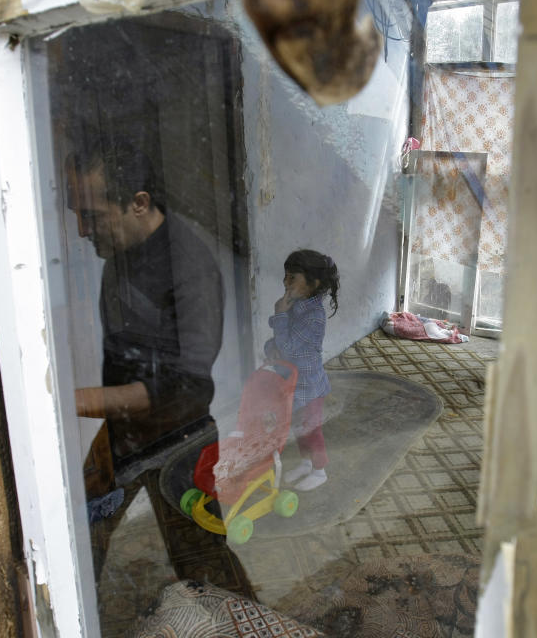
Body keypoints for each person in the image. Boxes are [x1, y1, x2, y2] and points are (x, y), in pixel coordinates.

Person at [67, 138, 224, 471]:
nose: (82, 230)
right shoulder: (119, 251)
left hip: (178, 445)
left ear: (139, 203)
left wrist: (74, 402)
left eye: (92, 216)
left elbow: (187, 387)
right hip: (125, 437)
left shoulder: (190, 267)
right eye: (78, 215)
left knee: (191, 523)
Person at [263, 249, 340, 491]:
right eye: (285, 276)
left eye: (292, 277)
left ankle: (319, 471)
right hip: (293, 382)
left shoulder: (314, 315)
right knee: (299, 426)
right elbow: (280, 342)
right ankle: (306, 464)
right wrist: (270, 348)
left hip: (310, 386)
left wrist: (279, 314)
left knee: (312, 429)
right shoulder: (297, 304)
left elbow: (287, 346)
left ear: (313, 283)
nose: (286, 282)